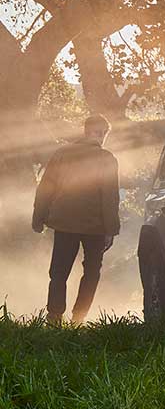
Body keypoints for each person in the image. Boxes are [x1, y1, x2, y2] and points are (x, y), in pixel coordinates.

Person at [32, 114, 121, 324]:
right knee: (91, 271)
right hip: (96, 227)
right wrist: (111, 230)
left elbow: (45, 187)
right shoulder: (107, 159)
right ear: (100, 133)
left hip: (65, 222)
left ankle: (54, 316)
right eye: (103, 133)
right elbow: (110, 197)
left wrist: (39, 218)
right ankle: (78, 317)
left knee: (59, 271)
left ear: (85, 130)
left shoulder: (61, 154)